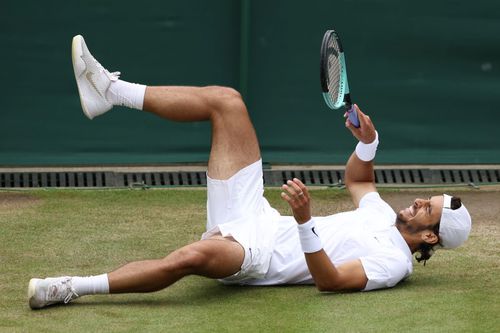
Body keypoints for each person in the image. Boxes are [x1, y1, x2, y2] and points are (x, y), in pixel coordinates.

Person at [27, 35, 472, 309]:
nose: (416, 200)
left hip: (257, 258)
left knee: (188, 259)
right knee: (227, 101)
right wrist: (368, 142)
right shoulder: (380, 216)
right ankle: (110, 91)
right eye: (423, 199)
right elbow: (359, 180)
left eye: (424, 208)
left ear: (430, 236)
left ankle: (68, 287)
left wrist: (304, 222)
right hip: (255, 215)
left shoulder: (393, 264)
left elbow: (331, 283)